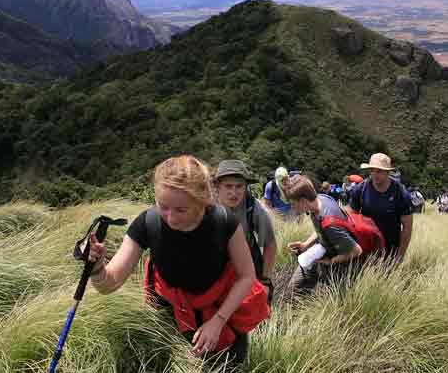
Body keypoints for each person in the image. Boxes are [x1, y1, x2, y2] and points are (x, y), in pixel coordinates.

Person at [87, 155, 269, 366]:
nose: (171, 218)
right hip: (171, 317)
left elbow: (247, 277)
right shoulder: (147, 223)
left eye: (181, 210)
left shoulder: (223, 222)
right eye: (163, 206)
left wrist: (217, 322)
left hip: (224, 315)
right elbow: (109, 284)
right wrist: (96, 267)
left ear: (202, 201)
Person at [285, 175, 364, 296]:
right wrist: (305, 244)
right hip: (323, 251)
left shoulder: (330, 224)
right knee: (294, 290)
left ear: (303, 201)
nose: (292, 207)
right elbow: (321, 229)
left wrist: (331, 261)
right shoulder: (320, 199)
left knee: (301, 294)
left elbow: (356, 251)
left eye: (293, 203)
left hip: (340, 266)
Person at [214, 159, 277, 301]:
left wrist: (265, 281)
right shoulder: (206, 208)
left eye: (239, 186)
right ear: (218, 186)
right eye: (228, 186)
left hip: (249, 266)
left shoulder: (252, 207)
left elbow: (270, 244)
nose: (234, 192)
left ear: (246, 186)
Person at [348, 153, 413, 263]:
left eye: (379, 171)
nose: (374, 174)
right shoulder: (360, 190)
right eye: (372, 170)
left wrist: (400, 256)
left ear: (388, 172)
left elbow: (407, 227)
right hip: (366, 247)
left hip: (390, 250)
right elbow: (350, 219)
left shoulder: (400, 193)